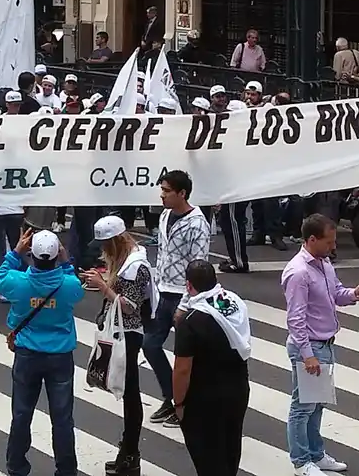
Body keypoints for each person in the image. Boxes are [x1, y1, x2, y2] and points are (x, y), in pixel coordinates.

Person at [282, 213, 359, 476]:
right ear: (312, 239)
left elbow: (336, 294)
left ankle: (315, 454)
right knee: (302, 406)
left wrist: (354, 294)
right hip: (309, 346)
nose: (333, 246)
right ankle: (301, 461)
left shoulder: (323, 263)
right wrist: (307, 355)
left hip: (325, 343)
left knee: (317, 403)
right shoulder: (299, 272)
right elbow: (295, 319)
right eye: (329, 241)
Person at [0, 229, 85, 476]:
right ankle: (66, 470)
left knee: (21, 414)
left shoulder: (17, 282)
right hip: (60, 356)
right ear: (57, 255)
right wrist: (66, 262)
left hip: (27, 355)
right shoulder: (69, 286)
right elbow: (74, 283)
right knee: (63, 419)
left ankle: (16, 467)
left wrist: (15, 252)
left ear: (32, 255)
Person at [82, 215, 156, 476]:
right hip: (121, 331)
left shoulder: (136, 266)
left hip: (129, 333)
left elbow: (131, 306)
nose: (102, 250)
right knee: (127, 392)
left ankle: (130, 454)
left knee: (131, 393)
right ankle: (128, 451)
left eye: (105, 244)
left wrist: (103, 287)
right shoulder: (125, 260)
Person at [145, 170, 212, 428]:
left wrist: (186, 303)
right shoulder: (164, 216)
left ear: (182, 193)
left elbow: (199, 266)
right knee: (150, 345)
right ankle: (171, 397)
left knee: (187, 355)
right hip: (162, 292)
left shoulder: (197, 223)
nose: (161, 195)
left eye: (166, 191)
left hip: (183, 297)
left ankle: (185, 404)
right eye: (162, 190)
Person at [173, 259, 252, 476]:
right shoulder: (234, 303)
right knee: (230, 449)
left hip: (205, 398)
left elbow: (182, 369)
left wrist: (178, 403)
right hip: (237, 389)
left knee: (208, 458)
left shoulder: (190, 322)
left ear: (189, 286)